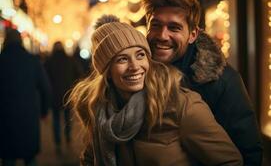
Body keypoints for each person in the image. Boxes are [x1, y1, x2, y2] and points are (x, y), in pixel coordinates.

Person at [69, 15, 243, 166]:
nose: (135, 67)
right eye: (122, 59)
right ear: (107, 72)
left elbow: (230, 161)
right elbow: (89, 159)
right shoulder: (100, 112)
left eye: (140, 55)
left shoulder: (181, 106)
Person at [144, 0, 263, 165]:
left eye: (174, 28)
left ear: (192, 34)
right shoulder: (136, 71)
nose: (162, 35)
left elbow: (248, 151)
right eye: (156, 25)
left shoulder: (220, 80)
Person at [0, 28, 50, 166]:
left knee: (8, 158)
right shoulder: (32, 61)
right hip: (28, 117)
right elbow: (45, 88)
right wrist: (44, 112)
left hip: (4, 120)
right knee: (30, 157)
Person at [45, 41, 82, 153]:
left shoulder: (49, 61)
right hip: (67, 94)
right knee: (67, 119)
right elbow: (79, 73)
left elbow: (45, 79)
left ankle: (58, 143)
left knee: (56, 120)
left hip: (54, 95)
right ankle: (68, 139)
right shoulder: (69, 60)